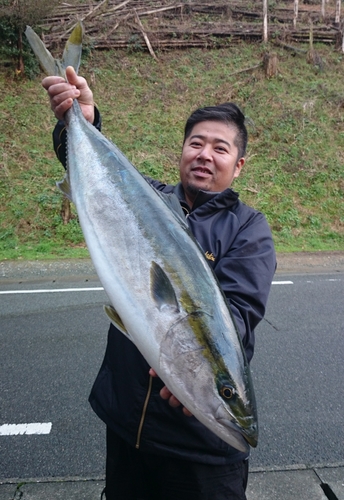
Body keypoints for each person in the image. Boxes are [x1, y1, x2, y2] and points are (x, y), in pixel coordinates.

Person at [42, 66, 276, 500]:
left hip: (201, 452)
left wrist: (196, 376)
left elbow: (238, 317)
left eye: (220, 148)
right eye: (196, 143)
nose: (205, 154)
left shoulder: (249, 230)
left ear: (238, 165)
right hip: (128, 429)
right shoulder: (147, 197)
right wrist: (81, 120)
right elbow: (94, 177)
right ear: (183, 151)